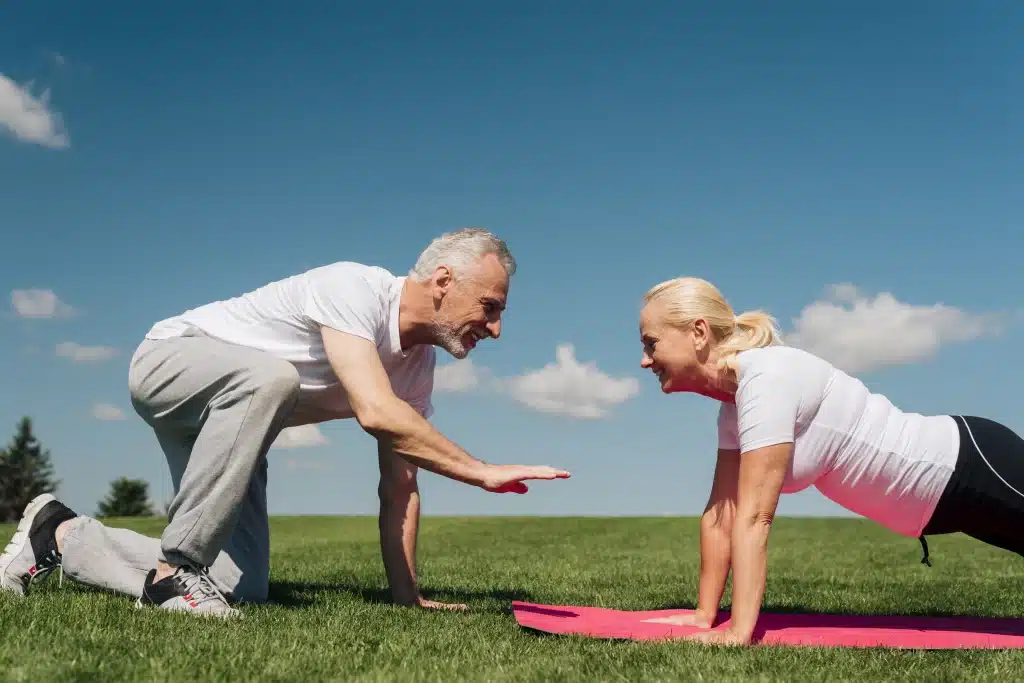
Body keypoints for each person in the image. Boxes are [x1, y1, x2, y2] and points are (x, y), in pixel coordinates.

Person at [0, 227, 570, 618]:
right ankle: (176, 570)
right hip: (170, 362)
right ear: (444, 281)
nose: (494, 328)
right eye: (489, 307)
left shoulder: (415, 370)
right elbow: (375, 412)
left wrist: (406, 596)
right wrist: (480, 471)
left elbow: (400, 486)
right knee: (273, 379)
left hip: (231, 426)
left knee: (239, 588)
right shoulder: (356, 289)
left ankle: (61, 535)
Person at [636, 275, 1024, 646]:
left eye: (651, 343)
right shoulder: (734, 409)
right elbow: (723, 513)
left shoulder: (767, 380)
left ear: (698, 333)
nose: (645, 360)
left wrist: (739, 631)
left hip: (965, 465)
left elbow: (754, 517)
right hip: (943, 504)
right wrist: (704, 614)